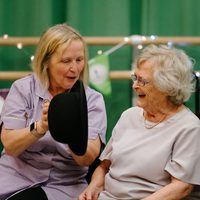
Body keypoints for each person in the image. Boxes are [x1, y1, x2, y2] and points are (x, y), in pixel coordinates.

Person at [79, 44, 200, 200]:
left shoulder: (189, 127)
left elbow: (181, 187)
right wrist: (93, 185)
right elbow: (104, 166)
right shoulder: (129, 115)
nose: (134, 85)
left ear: (167, 86)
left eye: (142, 81)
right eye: (135, 78)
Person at [0, 23, 107, 200]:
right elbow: (10, 146)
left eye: (79, 60)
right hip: (16, 177)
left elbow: (87, 160)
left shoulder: (93, 100)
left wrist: (71, 130)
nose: (74, 69)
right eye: (66, 61)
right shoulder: (22, 89)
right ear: (46, 61)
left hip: (64, 185)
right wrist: (40, 128)